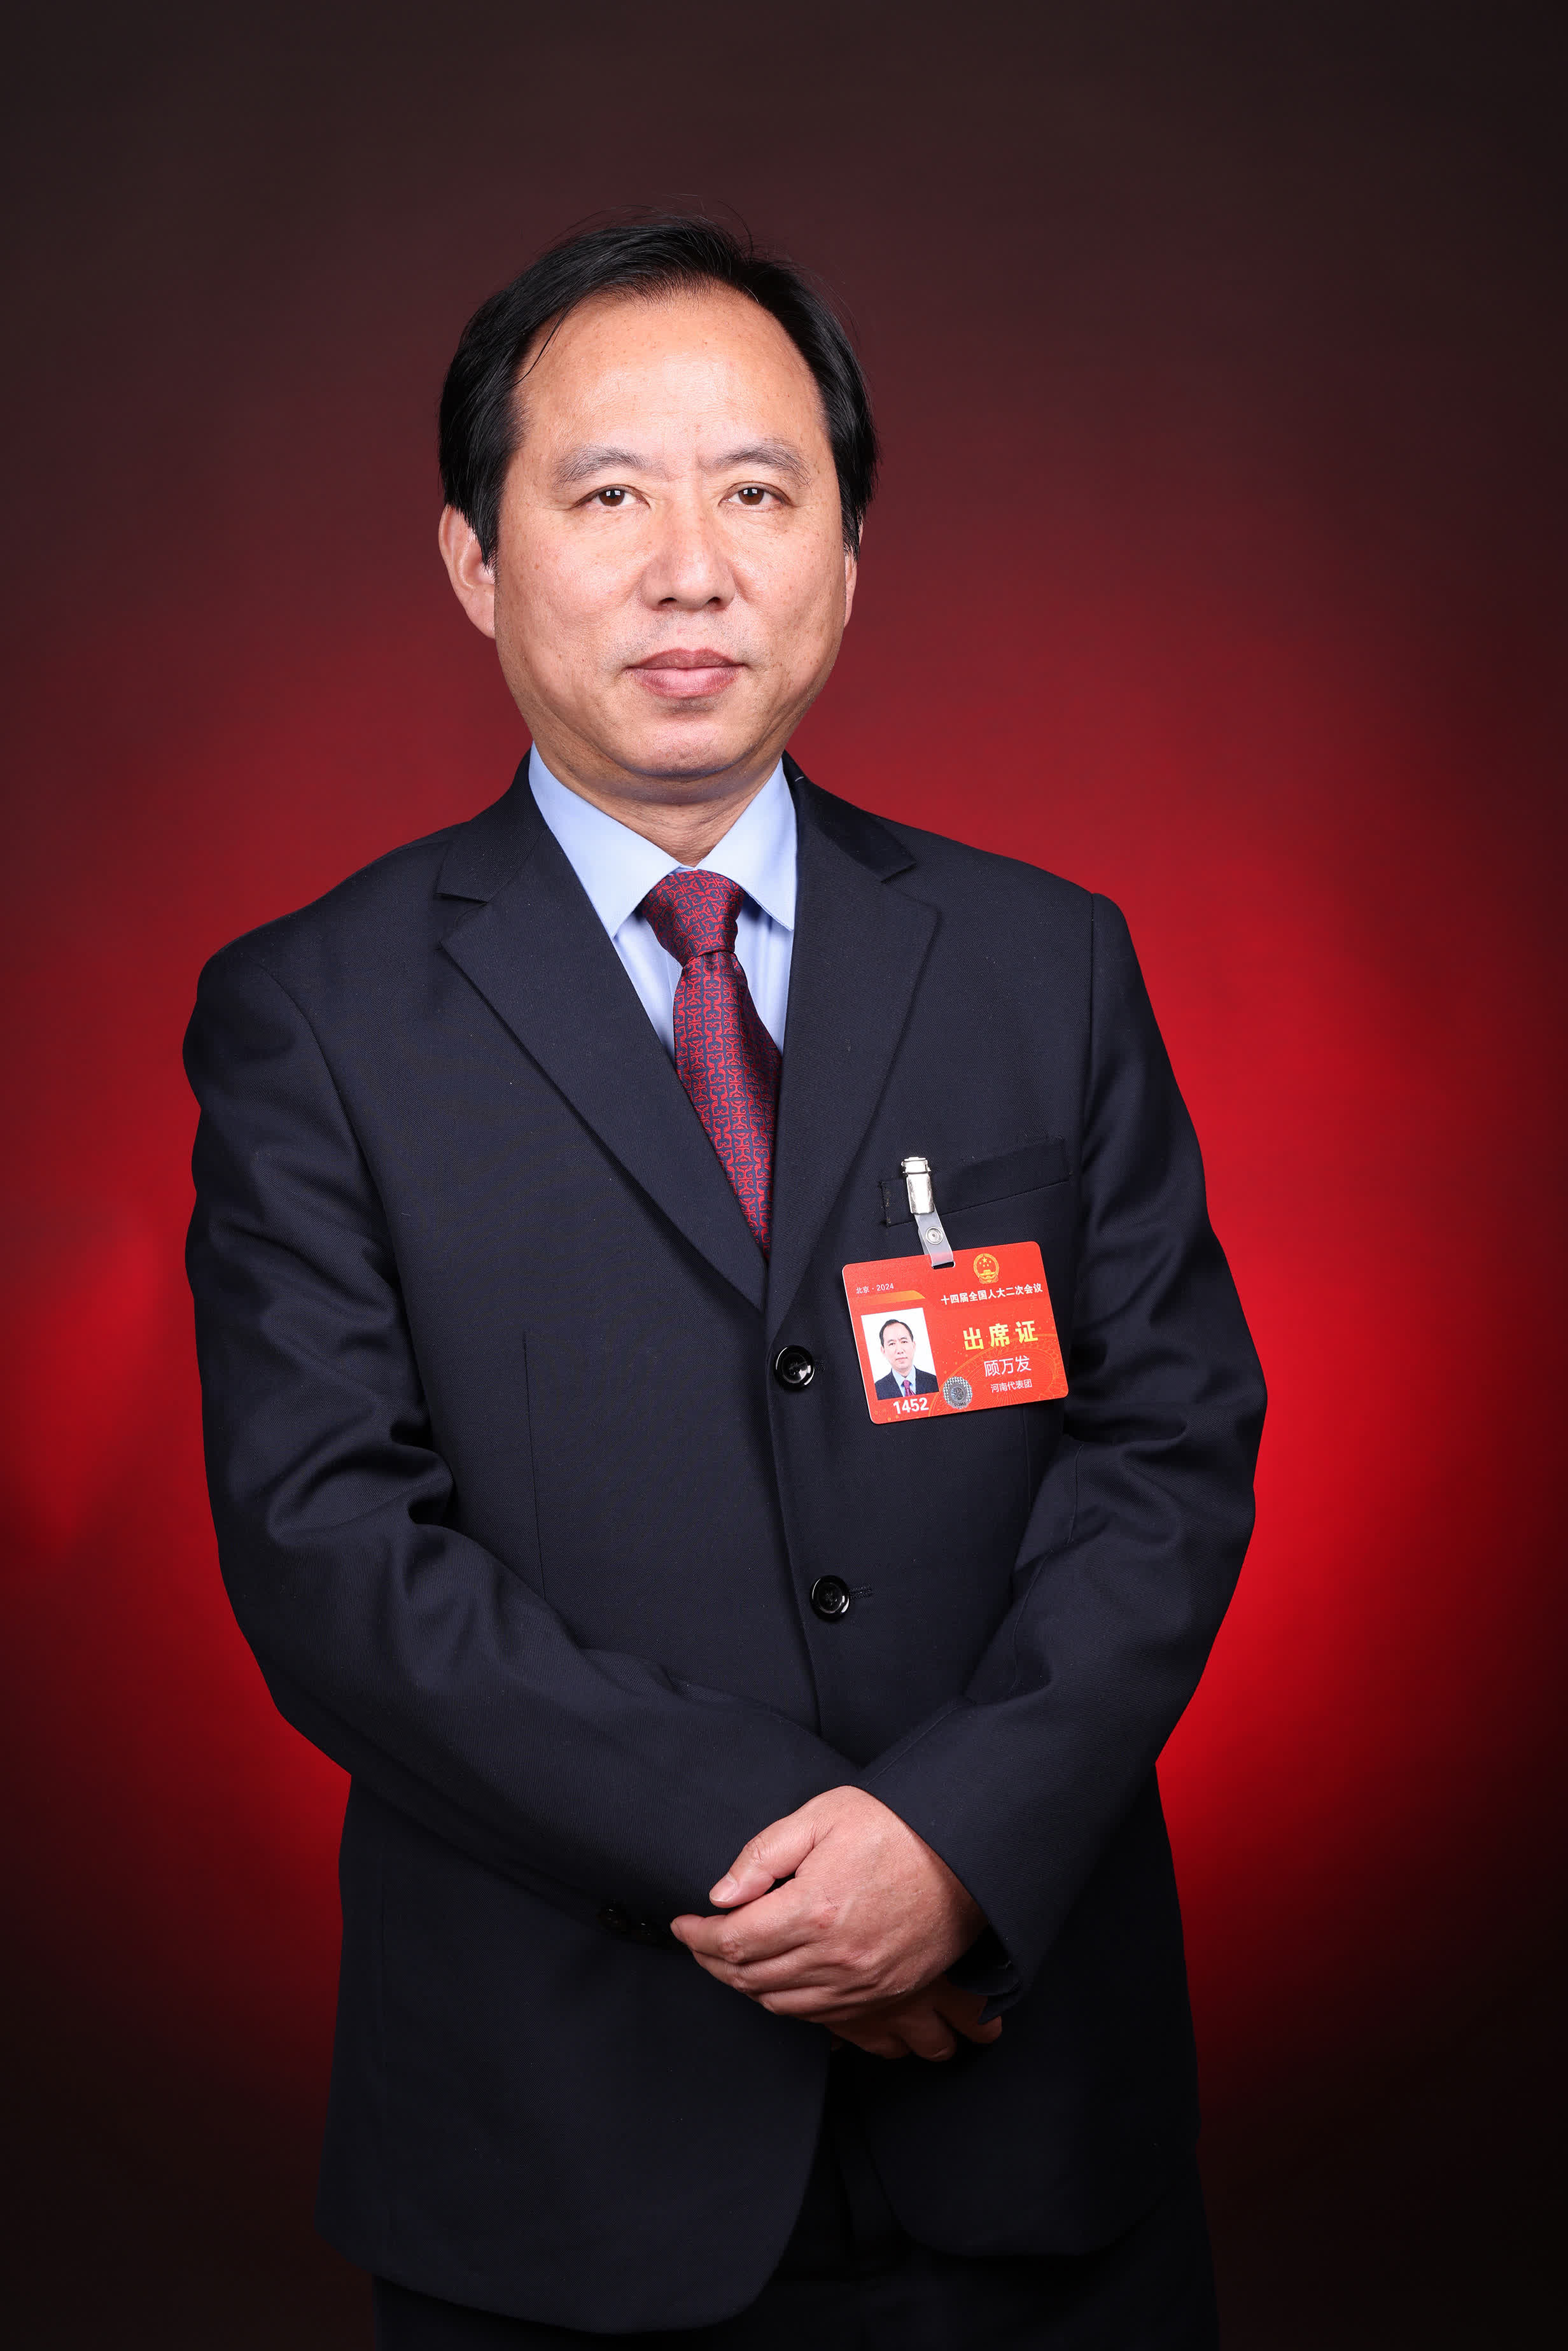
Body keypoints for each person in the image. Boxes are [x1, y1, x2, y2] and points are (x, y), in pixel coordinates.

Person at [184, 216, 1265, 2349]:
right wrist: (802, 1859)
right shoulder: (314, 1014)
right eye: (608, 496)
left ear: (846, 557)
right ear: (474, 559)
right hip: (562, 2141)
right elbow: (331, 1550)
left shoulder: (1042, 962)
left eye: (760, 491)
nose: (692, 568)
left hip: (1035, 2106)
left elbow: (1169, 1444)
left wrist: (953, 1848)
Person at [873, 1317, 938, 1400]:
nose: (899, 1350)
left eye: (904, 1342)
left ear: (913, 1346)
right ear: (883, 1351)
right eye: (892, 1344)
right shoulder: (876, 1391)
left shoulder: (935, 1383)